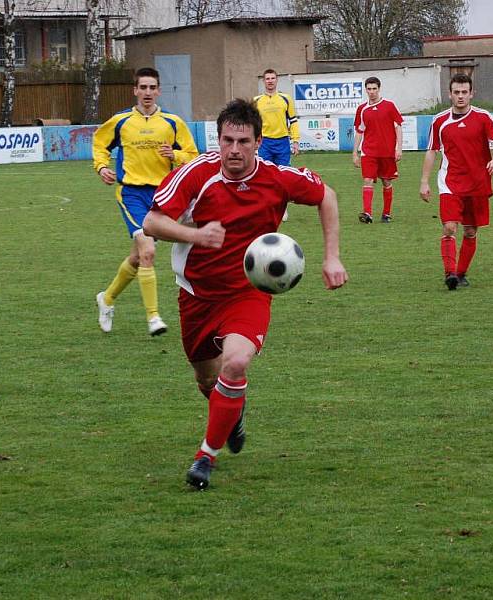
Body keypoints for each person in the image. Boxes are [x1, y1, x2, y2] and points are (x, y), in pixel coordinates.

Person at [143, 99, 348, 490]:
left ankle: (205, 456)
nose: (234, 149)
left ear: (258, 142)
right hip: (196, 294)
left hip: (247, 294)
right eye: (227, 140)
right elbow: (152, 221)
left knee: (235, 364)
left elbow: (328, 196)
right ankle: (230, 412)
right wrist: (196, 235)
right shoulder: (197, 174)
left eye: (243, 141)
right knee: (207, 379)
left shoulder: (277, 177)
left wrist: (332, 258)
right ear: (217, 139)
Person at [93, 67, 198, 336]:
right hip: (131, 194)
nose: (148, 92)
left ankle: (106, 299)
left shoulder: (172, 122)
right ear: (135, 90)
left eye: (153, 88)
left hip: (163, 196)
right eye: (143, 87)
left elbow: (193, 155)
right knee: (148, 251)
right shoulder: (121, 121)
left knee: (137, 257)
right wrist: (102, 166)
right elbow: (100, 143)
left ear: (159, 90)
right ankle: (154, 318)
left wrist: (175, 154)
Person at [420, 73, 493, 290]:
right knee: (449, 227)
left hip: (477, 183)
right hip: (450, 182)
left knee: (470, 231)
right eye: (456, 92)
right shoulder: (439, 121)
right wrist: (424, 181)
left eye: (464, 92)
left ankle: (461, 273)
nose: (460, 96)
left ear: (471, 94)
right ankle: (450, 273)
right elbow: (431, 151)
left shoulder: (483, 117)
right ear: (450, 94)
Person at [352, 76, 403, 224]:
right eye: (369, 89)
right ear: (366, 90)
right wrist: (355, 152)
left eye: (374, 89)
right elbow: (360, 131)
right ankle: (367, 214)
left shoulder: (389, 106)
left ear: (379, 89)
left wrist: (399, 148)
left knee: (386, 182)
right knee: (367, 180)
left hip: (387, 152)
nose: (372, 92)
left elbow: (398, 126)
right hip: (369, 152)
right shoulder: (362, 109)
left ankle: (386, 214)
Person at [254, 68, 301, 221]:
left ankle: (283, 209)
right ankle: (267, 207)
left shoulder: (285, 99)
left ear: (276, 80)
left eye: (273, 78)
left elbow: (293, 121)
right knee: (265, 176)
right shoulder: (256, 101)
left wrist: (295, 141)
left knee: (283, 176)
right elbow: (252, 124)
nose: (270, 81)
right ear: (263, 81)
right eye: (267, 78)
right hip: (264, 143)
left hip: (282, 142)